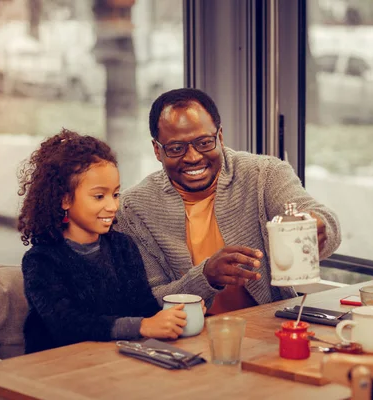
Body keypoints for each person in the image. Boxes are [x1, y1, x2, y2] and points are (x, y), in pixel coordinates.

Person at [116, 88, 342, 314]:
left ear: (220, 137)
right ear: (157, 150)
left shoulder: (264, 174)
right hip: (185, 338)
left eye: (204, 143)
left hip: (268, 325)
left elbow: (317, 215)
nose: (193, 157)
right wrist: (205, 278)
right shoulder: (132, 209)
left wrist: (319, 226)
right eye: (176, 148)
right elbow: (147, 301)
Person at [17, 129, 198, 354]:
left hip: (115, 362)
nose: (113, 206)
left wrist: (176, 314)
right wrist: (142, 326)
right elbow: (67, 325)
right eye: (99, 196)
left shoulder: (123, 246)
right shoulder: (41, 260)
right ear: (64, 199)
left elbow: (144, 308)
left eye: (115, 194)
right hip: (58, 368)